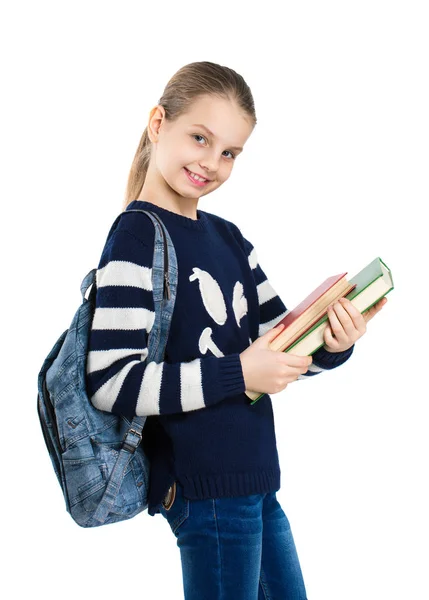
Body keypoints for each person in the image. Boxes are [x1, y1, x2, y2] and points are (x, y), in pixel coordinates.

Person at [85, 61, 387, 600]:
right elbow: (111, 381)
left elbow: (279, 346)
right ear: (159, 123)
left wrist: (333, 342)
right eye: (200, 138)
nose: (212, 163)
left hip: (255, 479)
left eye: (229, 153)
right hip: (204, 488)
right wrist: (239, 371)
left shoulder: (229, 238)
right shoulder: (137, 235)